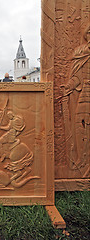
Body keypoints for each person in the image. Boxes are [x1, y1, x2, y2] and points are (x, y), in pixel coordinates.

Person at [61, 25, 90, 170]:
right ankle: (81, 158)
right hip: (85, 93)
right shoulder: (81, 52)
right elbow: (77, 76)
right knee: (79, 125)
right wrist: (69, 86)